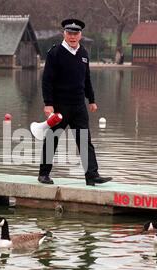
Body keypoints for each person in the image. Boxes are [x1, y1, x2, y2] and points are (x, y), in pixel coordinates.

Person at [38, 18, 112, 186]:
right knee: (52, 139)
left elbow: (86, 79)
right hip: (59, 106)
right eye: (69, 33)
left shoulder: (84, 54)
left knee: (85, 140)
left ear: (80, 35)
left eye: (76, 33)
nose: (72, 36)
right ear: (64, 34)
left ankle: (92, 175)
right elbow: (47, 80)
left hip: (79, 106)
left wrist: (91, 100)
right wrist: (48, 103)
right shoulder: (55, 53)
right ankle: (43, 174)